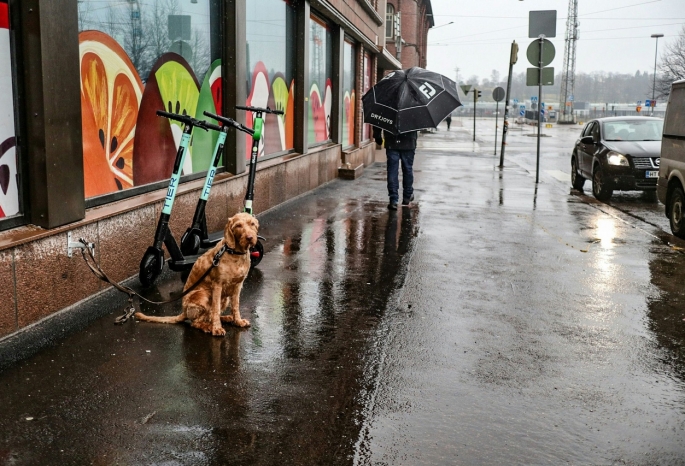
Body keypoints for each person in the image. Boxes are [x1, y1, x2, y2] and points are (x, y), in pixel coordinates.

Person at [374, 126, 417, 210]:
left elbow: (380, 118)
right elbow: (419, 123)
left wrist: (377, 134)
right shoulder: (414, 112)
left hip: (392, 139)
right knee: (407, 169)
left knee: (392, 170)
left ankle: (393, 200)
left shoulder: (388, 112)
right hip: (409, 140)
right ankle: (407, 196)